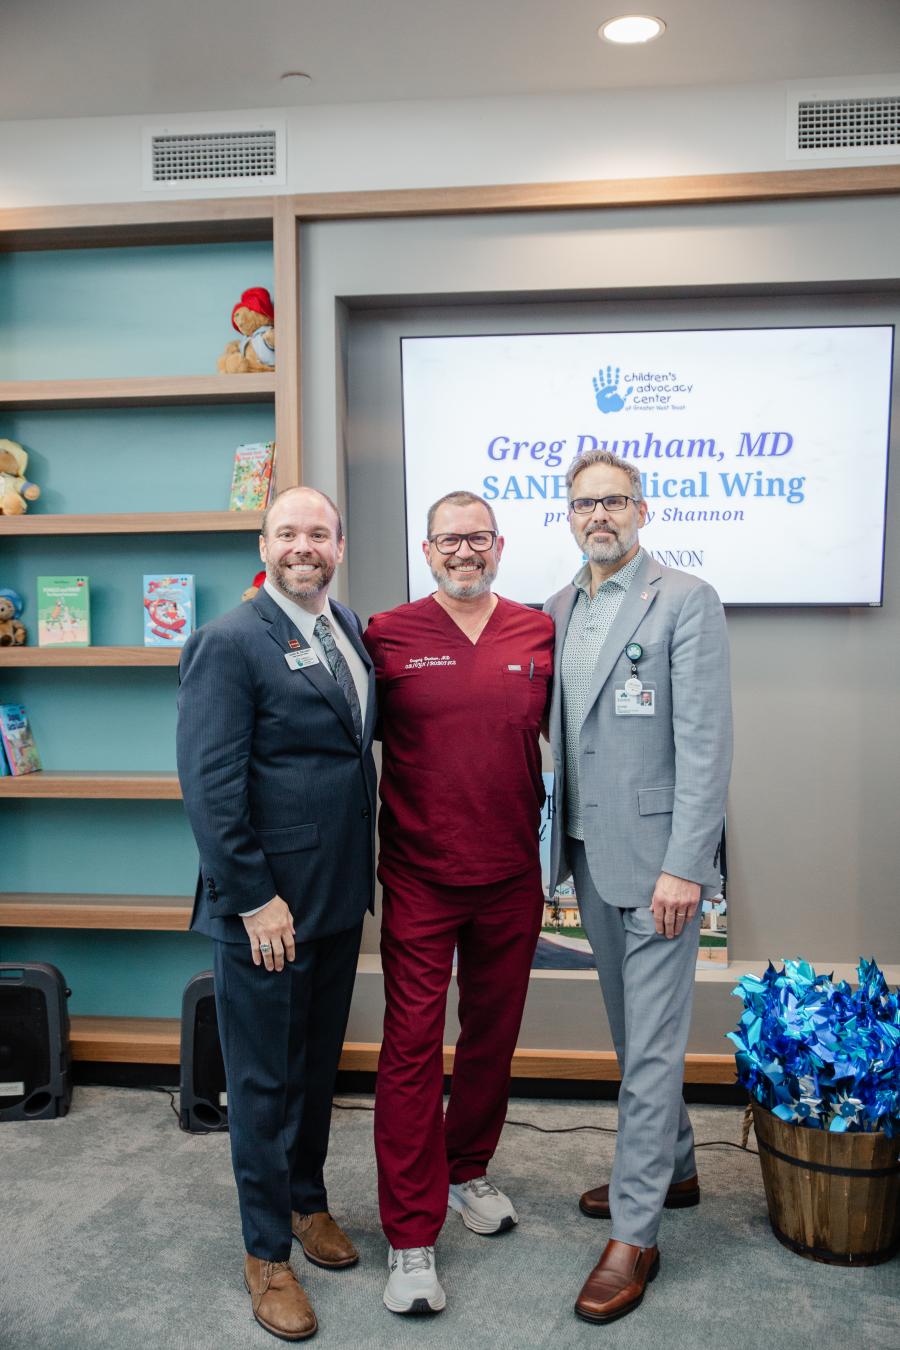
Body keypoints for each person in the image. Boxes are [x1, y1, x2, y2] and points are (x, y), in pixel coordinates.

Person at [176, 486, 377, 1342]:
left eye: (319, 533)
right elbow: (211, 787)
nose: (305, 546)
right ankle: (265, 1253)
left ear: (340, 544)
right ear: (265, 544)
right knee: (262, 1086)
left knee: (315, 1070)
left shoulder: (349, 628)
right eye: (288, 533)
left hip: (334, 899)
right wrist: (256, 898)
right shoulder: (228, 640)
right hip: (265, 907)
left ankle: (305, 1202)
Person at [545, 449, 732, 1325]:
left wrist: (687, 865)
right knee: (634, 1033)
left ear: (643, 509)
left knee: (652, 1049)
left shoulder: (684, 602)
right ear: (569, 515)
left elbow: (704, 745)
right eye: (584, 504)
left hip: (661, 864)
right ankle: (681, 1168)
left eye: (614, 501)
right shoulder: (557, 608)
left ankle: (636, 1233)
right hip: (589, 852)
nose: (599, 517)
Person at [363, 490, 555, 1316]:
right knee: (410, 1050)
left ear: (500, 544)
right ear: (427, 549)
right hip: (419, 874)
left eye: (478, 538)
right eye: (450, 540)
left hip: (511, 874)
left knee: (491, 1037)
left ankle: (468, 1168)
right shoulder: (386, 634)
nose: (464, 551)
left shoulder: (538, 633)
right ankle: (410, 1237)